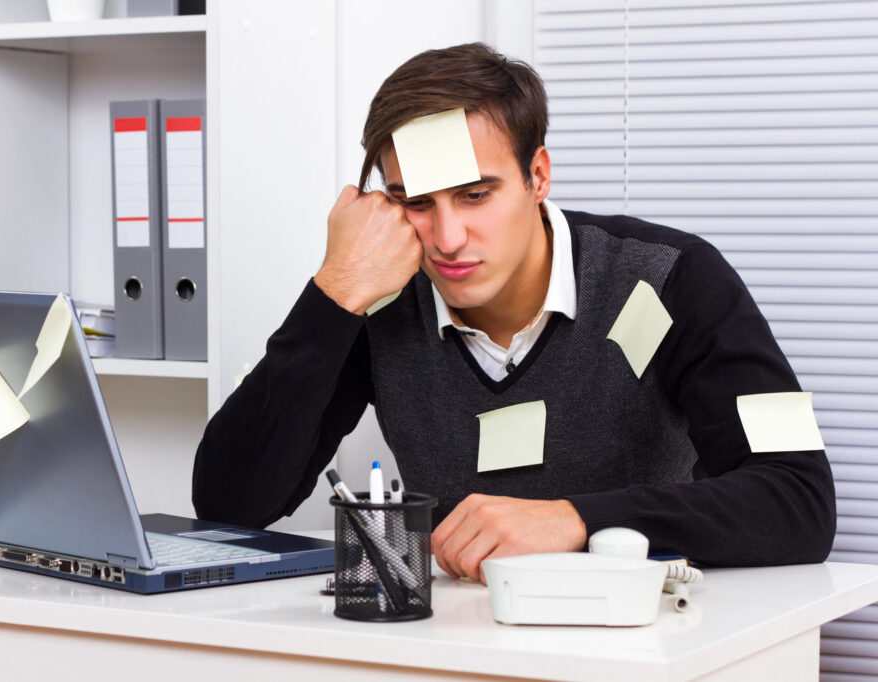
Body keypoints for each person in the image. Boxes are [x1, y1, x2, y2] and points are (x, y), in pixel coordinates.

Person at [192, 42, 835, 582]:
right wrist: (333, 294)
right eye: (414, 201)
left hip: (641, 645)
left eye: (475, 195)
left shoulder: (670, 281)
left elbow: (800, 500)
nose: (445, 239)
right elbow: (229, 504)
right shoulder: (379, 303)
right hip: (460, 650)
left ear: (538, 176)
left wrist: (576, 518)